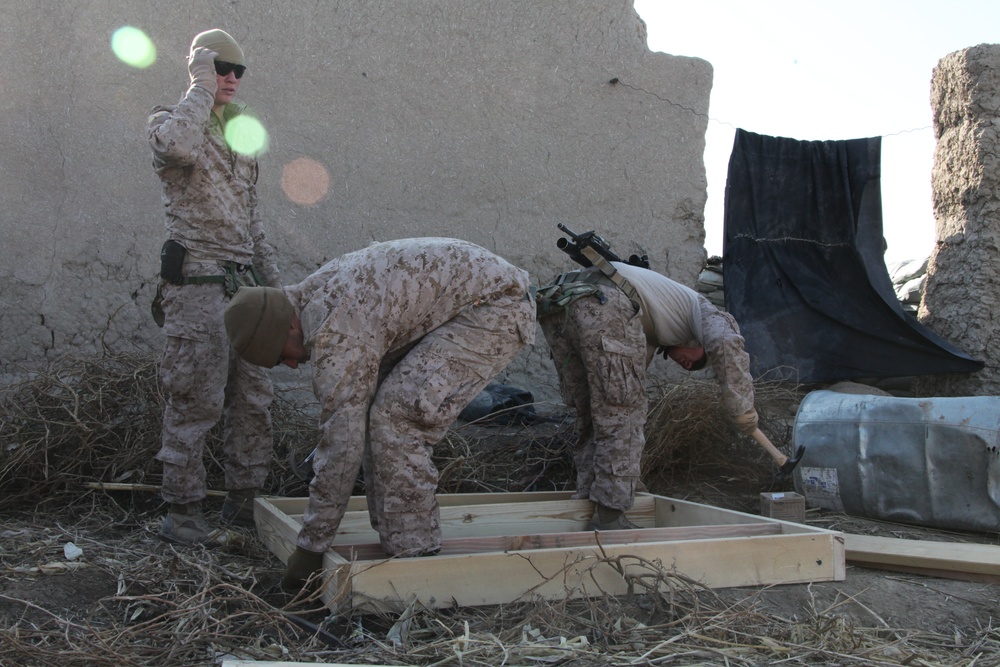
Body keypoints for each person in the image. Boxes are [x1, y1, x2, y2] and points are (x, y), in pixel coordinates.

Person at [223, 238, 536, 592]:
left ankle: (415, 573)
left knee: (397, 421)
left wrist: (310, 548)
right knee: (381, 415)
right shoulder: (312, 294)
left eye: (283, 355)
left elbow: (341, 447)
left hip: (496, 306)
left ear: (290, 327)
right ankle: (398, 544)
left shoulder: (335, 329)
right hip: (474, 300)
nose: (293, 364)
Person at [535, 259, 802, 531]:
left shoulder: (655, 318)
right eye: (699, 361)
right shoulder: (704, 312)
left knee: (595, 413)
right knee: (623, 413)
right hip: (602, 302)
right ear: (698, 342)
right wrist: (743, 411)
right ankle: (610, 514)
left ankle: (589, 501)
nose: (690, 366)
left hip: (561, 303)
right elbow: (726, 343)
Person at [147, 29, 282, 546]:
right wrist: (198, 87)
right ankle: (182, 514)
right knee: (195, 402)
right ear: (200, 69)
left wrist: (280, 291)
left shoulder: (241, 138)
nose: (230, 78)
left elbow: (254, 226)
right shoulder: (171, 123)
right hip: (197, 291)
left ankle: (244, 506)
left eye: (237, 71)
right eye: (219, 67)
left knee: (254, 400)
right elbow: (176, 146)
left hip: (244, 291)